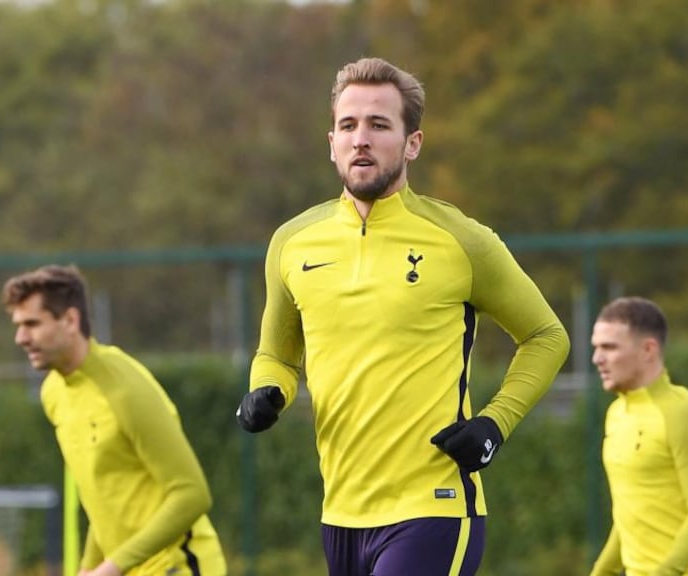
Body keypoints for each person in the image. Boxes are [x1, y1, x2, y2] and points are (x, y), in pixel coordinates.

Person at [235, 57, 570, 576]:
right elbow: (276, 353)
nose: (360, 139)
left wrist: (493, 425)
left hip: (433, 506)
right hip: (341, 513)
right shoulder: (292, 242)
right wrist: (266, 390)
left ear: (412, 143)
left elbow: (547, 336)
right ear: (331, 143)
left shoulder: (463, 241)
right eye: (348, 125)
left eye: (378, 124)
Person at [2, 265, 226, 576]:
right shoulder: (53, 393)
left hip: (177, 566)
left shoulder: (126, 389)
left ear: (69, 320)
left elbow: (192, 494)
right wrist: (90, 566)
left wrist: (111, 567)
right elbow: (104, 497)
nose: (21, 338)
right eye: (18, 325)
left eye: (32, 324)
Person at [589, 296, 688, 576]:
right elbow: (631, 514)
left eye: (609, 347)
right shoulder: (617, 414)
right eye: (596, 347)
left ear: (648, 349)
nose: (597, 358)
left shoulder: (683, 413)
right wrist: (602, 571)